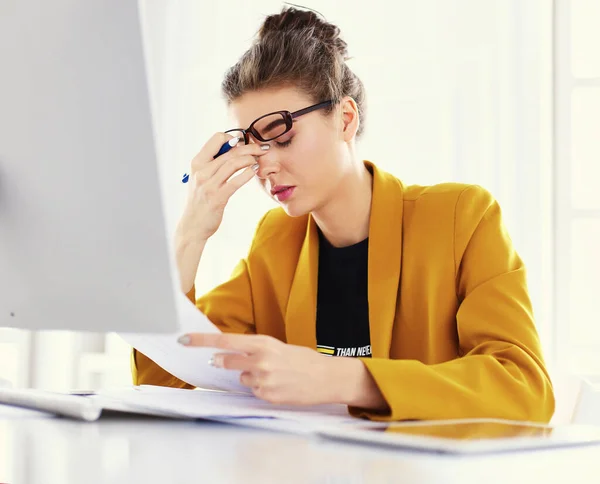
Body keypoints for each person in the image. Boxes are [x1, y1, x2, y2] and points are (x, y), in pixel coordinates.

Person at [132, 6, 555, 422]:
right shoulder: (276, 241)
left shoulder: (462, 217)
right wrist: (190, 235)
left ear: (346, 119)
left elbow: (524, 388)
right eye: (252, 145)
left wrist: (347, 379)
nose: (265, 165)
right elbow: (164, 384)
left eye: (281, 135)